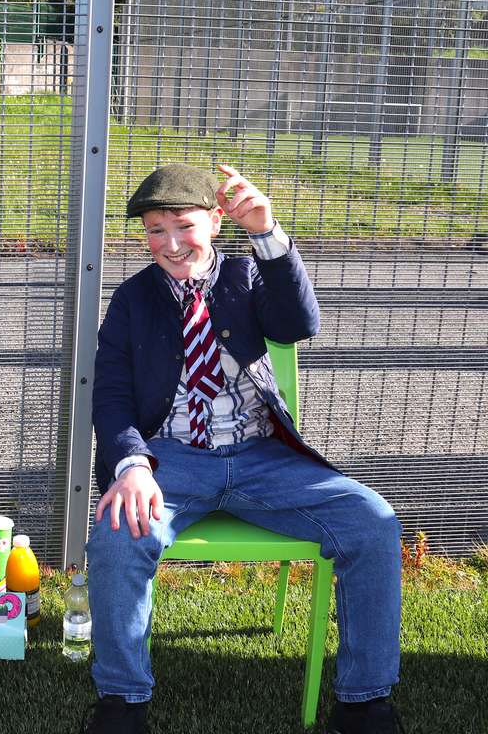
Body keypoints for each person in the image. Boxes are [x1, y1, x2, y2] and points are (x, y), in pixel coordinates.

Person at [85, 164, 402, 734]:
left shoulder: (246, 275)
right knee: (116, 535)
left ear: (215, 221)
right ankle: (122, 702)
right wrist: (131, 466)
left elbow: (298, 323)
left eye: (184, 225)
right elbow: (110, 395)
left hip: (261, 455)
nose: (171, 244)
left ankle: (364, 703)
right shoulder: (132, 299)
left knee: (371, 520)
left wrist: (266, 233)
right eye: (156, 230)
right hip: (171, 459)